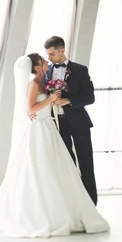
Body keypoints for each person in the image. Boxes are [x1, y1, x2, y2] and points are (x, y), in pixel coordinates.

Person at [0, 54, 109, 238]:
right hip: (39, 131)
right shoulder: (34, 85)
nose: (47, 62)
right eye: (44, 61)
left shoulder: (45, 82)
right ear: (37, 68)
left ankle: (61, 209)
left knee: (56, 169)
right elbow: (31, 109)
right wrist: (50, 100)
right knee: (39, 169)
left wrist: (56, 99)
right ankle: (41, 214)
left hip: (50, 127)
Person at [43, 36, 98, 205]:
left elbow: (90, 98)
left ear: (62, 49)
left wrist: (69, 101)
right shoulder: (46, 72)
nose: (49, 58)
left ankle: (91, 204)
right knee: (67, 164)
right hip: (57, 125)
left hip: (79, 122)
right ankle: (74, 203)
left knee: (85, 161)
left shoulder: (80, 70)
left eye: (52, 54)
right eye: (47, 55)